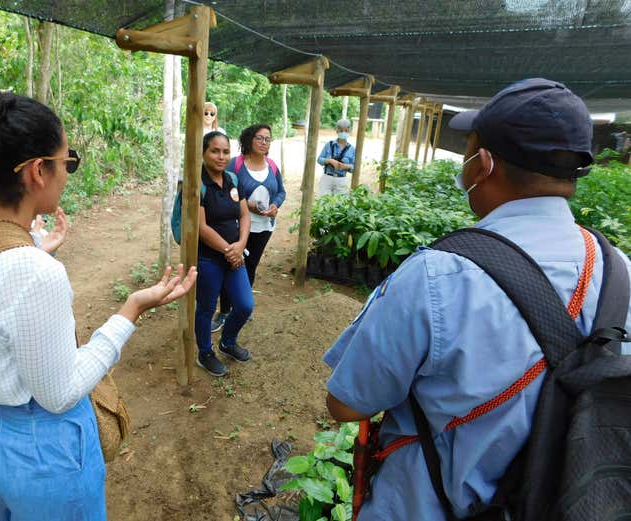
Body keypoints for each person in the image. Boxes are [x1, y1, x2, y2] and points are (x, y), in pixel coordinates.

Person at [322, 78, 631, 520]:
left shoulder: (438, 276)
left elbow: (347, 404)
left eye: (467, 149)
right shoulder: (619, 269)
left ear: (482, 164)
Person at [0, 62, 196, 521]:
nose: (69, 173)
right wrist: (131, 309)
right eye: (68, 162)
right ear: (37, 171)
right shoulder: (33, 271)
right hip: (43, 452)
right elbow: (60, 392)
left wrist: (37, 248)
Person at [212, 124, 285, 332]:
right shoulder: (235, 165)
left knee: (250, 267)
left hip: (264, 227)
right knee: (232, 266)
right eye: (259, 138)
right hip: (236, 228)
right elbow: (221, 193)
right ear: (249, 140)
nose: (263, 143)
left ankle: (240, 309)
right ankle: (224, 311)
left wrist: (275, 205)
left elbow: (281, 192)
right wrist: (246, 206)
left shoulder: (271, 166)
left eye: (267, 139)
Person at [195, 131, 253, 377]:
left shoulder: (232, 179)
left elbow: (244, 215)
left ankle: (227, 342)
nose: (221, 156)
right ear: (204, 152)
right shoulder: (196, 183)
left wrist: (240, 245)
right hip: (208, 257)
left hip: (234, 255)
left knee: (244, 305)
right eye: (215, 151)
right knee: (206, 308)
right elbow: (201, 227)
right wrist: (230, 250)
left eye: (226, 151)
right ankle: (205, 353)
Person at [316, 118, 355, 197]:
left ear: (349, 131)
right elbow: (319, 159)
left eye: (346, 131)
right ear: (337, 131)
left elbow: (354, 168)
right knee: (324, 202)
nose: (343, 132)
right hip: (327, 178)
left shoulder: (352, 149)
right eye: (341, 130)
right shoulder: (329, 145)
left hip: (342, 180)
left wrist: (346, 166)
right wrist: (329, 161)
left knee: (340, 205)